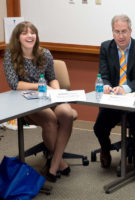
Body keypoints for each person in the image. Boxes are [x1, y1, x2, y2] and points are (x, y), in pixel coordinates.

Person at [3, 21, 74, 182]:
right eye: (25, 33)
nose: (30, 36)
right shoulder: (11, 55)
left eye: (32, 32)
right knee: (50, 119)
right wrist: (41, 87)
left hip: (49, 96)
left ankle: (54, 163)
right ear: (18, 38)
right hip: (26, 100)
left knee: (67, 114)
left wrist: (56, 91)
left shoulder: (45, 54)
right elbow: (15, 84)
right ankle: (59, 163)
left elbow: (53, 78)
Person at [93, 14, 135, 169]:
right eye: (117, 32)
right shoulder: (106, 47)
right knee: (99, 128)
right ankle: (105, 148)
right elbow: (104, 74)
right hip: (113, 99)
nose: (121, 36)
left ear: (130, 31)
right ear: (112, 32)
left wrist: (124, 88)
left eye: (124, 31)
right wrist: (105, 85)